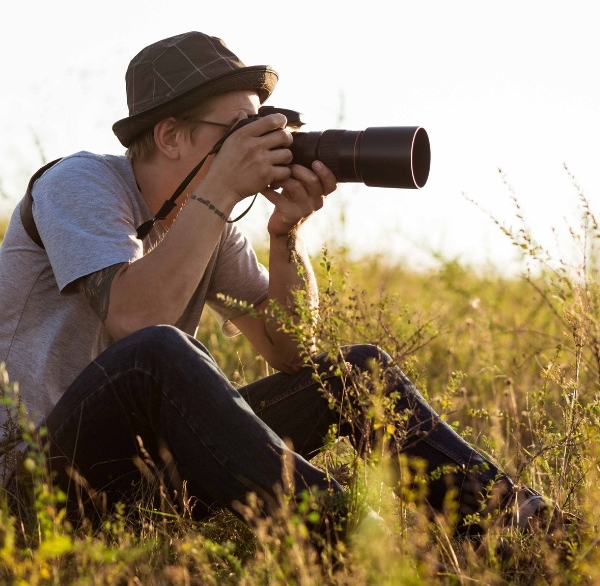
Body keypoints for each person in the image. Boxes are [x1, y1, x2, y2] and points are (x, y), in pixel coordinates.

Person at [0, 31, 559, 548]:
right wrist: (217, 192)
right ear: (170, 135)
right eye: (241, 130)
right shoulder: (81, 183)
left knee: (355, 373)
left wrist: (285, 234)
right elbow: (136, 323)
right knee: (160, 352)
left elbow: (291, 349)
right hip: (30, 481)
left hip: (139, 478)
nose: (264, 141)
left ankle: (519, 525)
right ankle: (362, 541)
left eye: (264, 124)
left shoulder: (204, 221)